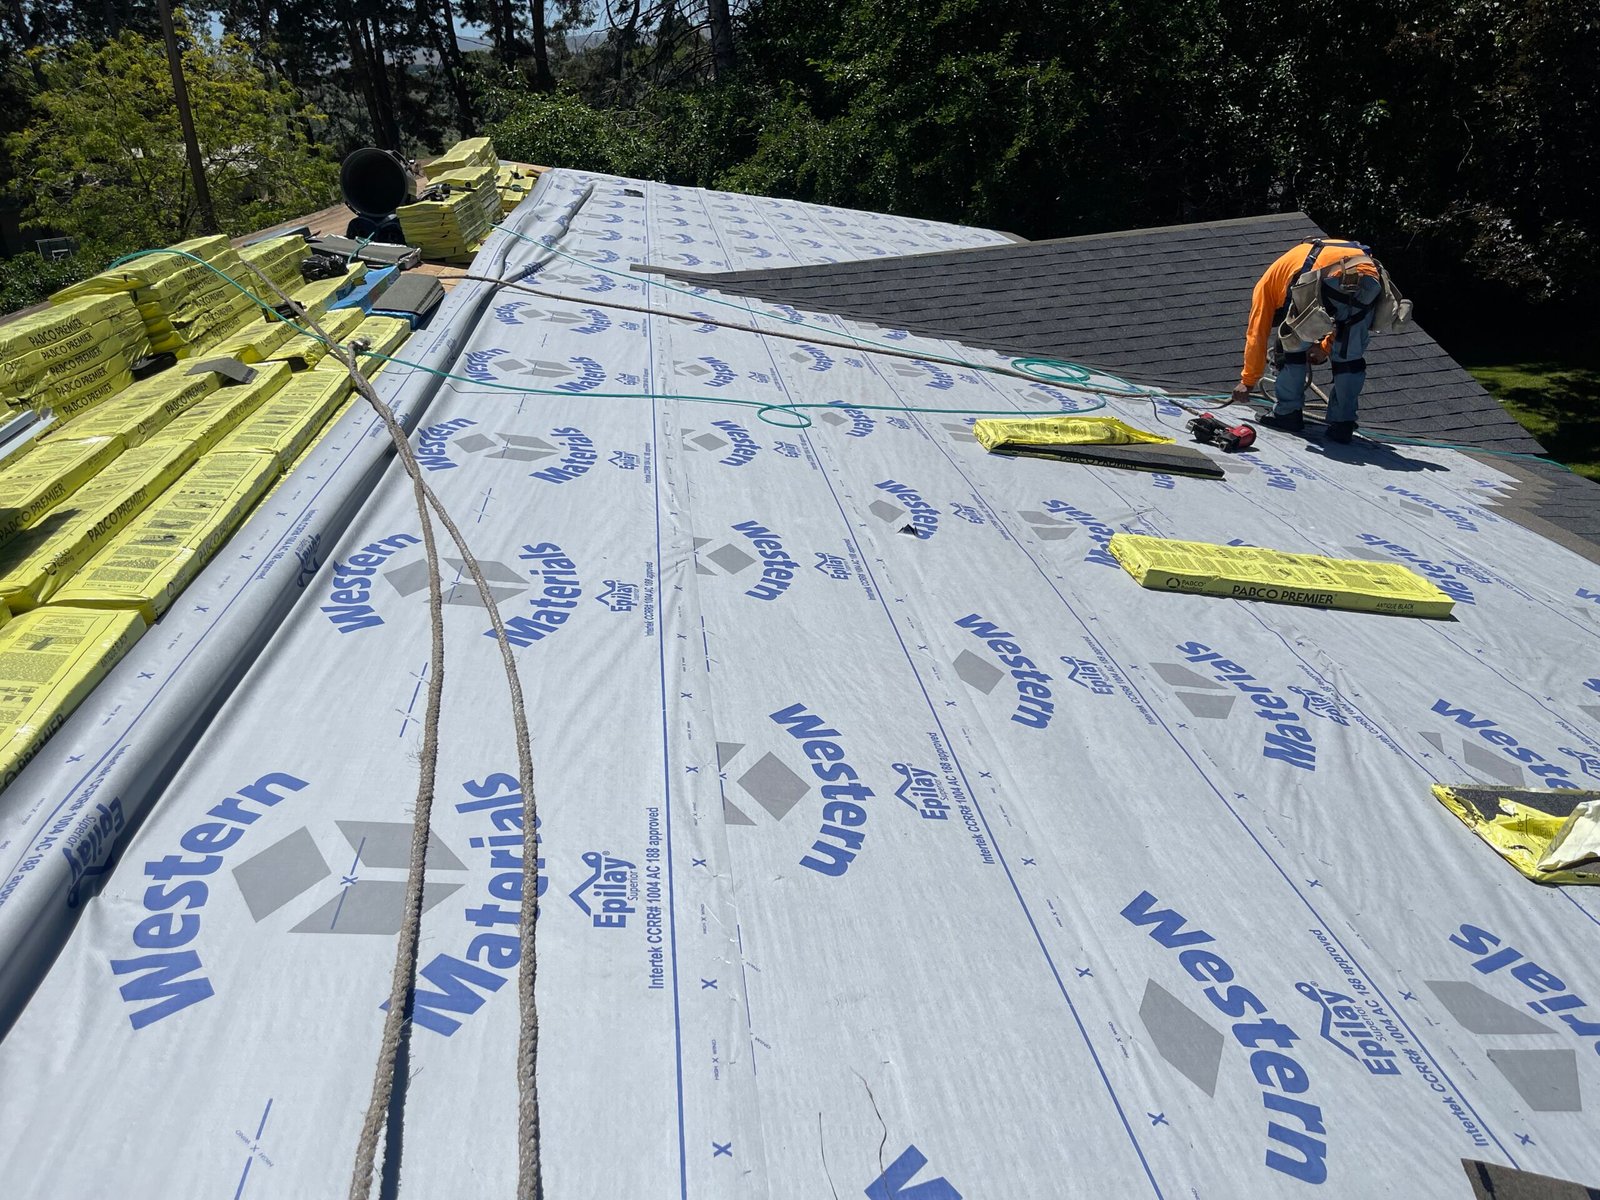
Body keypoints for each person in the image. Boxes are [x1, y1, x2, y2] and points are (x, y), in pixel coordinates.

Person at [1229, 239, 1390, 444]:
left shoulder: (1265, 288)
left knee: (1290, 345)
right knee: (1349, 357)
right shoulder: (1296, 260)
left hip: (1325, 276)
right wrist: (1324, 347)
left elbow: (1257, 334)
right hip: (1370, 276)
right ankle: (1343, 424)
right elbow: (1344, 321)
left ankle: (1287, 414)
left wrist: (1248, 381)